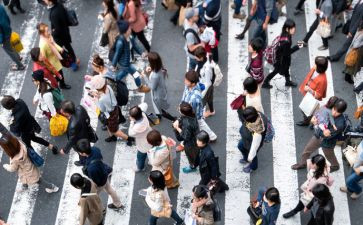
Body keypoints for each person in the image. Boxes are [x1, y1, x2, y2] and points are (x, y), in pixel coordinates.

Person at [292, 98, 348, 172]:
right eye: (334, 109)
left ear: (342, 112)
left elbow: (327, 136)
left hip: (328, 142)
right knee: (307, 150)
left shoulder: (339, 124)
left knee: (329, 156)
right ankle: (303, 163)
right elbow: (318, 115)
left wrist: (316, 125)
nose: (334, 113)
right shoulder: (327, 109)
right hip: (318, 136)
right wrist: (313, 120)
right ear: (333, 106)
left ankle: (335, 166)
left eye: (338, 112)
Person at [0, 127, 59, 193]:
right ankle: (24, 186)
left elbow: (13, 169)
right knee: (24, 178)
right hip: (29, 166)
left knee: (38, 180)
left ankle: (52, 187)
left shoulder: (15, 160)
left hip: (28, 172)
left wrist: (6, 166)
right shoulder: (20, 144)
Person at [76, 139, 124, 210]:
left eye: (79, 152)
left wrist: (95, 187)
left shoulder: (91, 169)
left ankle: (102, 210)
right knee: (109, 189)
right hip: (104, 173)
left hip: (99, 181)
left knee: (94, 197)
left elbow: (96, 181)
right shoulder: (95, 149)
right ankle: (118, 204)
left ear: (83, 153)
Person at [283, 154, 333, 218]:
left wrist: (309, 191)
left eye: (313, 163)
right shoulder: (322, 165)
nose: (310, 163)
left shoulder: (320, 179)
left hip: (313, 191)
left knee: (304, 201)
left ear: (317, 165)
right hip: (311, 185)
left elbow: (315, 189)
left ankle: (295, 211)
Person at [90, 75, 134, 144]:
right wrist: (98, 95)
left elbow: (102, 109)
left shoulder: (102, 99)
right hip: (115, 108)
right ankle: (112, 137)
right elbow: (104, 96)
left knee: (114, 130)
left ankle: (129, 138)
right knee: (109, 125)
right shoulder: (108, 87)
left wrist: (96, 100)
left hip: (110, 114)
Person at [111, 20, 150, 92]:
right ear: (125, 31)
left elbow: (135, 46)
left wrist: (141, 53)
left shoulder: (130, 36)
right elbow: (117, 54)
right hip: (125, 64)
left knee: (124, 72)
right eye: (129, 28)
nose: (130, 28)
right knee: (135, 74)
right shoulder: (120, 43)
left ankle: (114, 81)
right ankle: (140, 87)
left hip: (129, 60)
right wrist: (113, 65)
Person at [262, 19, 300, 89]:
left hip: (279, 57)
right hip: (280, 60)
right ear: (287, 29)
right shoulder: (286, 41)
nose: (294, 29)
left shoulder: (285, 34)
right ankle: (265, 82)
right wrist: (298, 46)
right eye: (292, 28)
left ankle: (287, 82)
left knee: (285, 69)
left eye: (294, 27)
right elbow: (287, 53)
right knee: (277, 70)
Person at [43, 0, 80, 71]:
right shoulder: (59, 4)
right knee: (68, 47)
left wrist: (52, 33)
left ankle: (72, 63)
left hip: (59, 36)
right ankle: (74, 61)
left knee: (61, 51)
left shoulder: (54, 14)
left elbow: (57, 28)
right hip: (65, 31)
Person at [182, 70, 217, 141]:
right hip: (190, 112)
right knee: (201, 124)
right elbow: (184, 95)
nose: (185, 81)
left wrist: (183, 111)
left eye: (187, 80)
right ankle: (211, 136)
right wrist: (182, 104)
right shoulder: (188, 86)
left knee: (199, 123)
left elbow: (192, 111)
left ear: (193, 83)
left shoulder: (195, 97)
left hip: (194, 115)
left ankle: (211, 136)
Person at [59, 100, 96, 165]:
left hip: (80, 141)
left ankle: (83, 162)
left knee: (81, 152)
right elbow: (88, 118)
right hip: (86, 134)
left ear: (67, 113)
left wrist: (65, 150)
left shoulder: (72, 126)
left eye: (62, 110)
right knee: (87, 149)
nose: (61, 111)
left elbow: (72, 140)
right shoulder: (80, 108)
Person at [37, 22, 71, 89]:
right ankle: (59, 87)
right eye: (47, 31)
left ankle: (62, 84)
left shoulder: (48, 36)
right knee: (57, 78)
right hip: (52, 65)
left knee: (61, 74)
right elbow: (44, 59)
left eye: (48, 30)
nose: (49, 32)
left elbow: (53, 44)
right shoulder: (42, 45)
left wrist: (60, 49)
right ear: (42, 33)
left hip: (56, 59)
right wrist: (50, 68)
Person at [296, 56, 329, 126]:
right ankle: (310, 121)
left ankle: (309, 121)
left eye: (316, 64)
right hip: (308, 94)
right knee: (307, 110)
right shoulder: (315, 69)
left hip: (311, 97)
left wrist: (310, 90)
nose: (314, 65)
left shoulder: (322, 80)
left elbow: (319, 95)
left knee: (306, 110)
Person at [238, 106, 268, 173]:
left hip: (250, 143)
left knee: (253, 155)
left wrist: (250, 158)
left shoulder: (258, 132)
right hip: (246, 139)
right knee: (240, 146)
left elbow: (254, 147)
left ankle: (253, 167)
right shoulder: (257, 114)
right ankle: (246, 158)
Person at [173, 102, 200, 173]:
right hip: (196, 136)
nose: (178, 109)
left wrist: (177, 128)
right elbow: (182, 117)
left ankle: (192, 166)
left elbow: (185, 137)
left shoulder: (187, 124)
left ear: (183, 113)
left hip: (191, 143)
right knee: (196, 154)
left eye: (179, 109)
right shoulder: (192, 113)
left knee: (191, 155)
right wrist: (178, 120)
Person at [143, 52, 170, 119]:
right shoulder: (160, 68)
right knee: (160, 108)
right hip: (161, 91)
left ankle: (172, 118)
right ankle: (161, 116)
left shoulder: (155, 75)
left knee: (159, 109)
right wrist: (151, 69)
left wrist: (144, 77)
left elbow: (152, 87)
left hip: (157, 94)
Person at [0, 5, 25, 71]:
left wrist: (1, 41)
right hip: (7, 30)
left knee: (9, 51)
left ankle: (20, 66)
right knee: (11, 47)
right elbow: (7, 18)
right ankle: (18, 58)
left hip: (3, 36)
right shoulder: (0, 6)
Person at [129, 105, 152, 172]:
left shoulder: (137, 127)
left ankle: (140, 167)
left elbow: (130, 133)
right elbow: (145, 105)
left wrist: (132, 122)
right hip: (150, 136)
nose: (130, 117)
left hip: (143, 143)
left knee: (140, 157)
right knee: (151, 151)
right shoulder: (143, 114)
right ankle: (151, 161)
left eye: (131, 116)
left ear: (134, 118)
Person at [194, 46, 215, 118]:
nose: (195, 58)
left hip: (206, 88)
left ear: (201, 57)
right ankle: (211, 111)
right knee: (209, 99)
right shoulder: (201, 62)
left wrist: (202, 93)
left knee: (202, 102)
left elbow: (208, 83)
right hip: (203, 85)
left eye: (196, 57)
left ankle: (202, 115)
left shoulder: (207, 68)